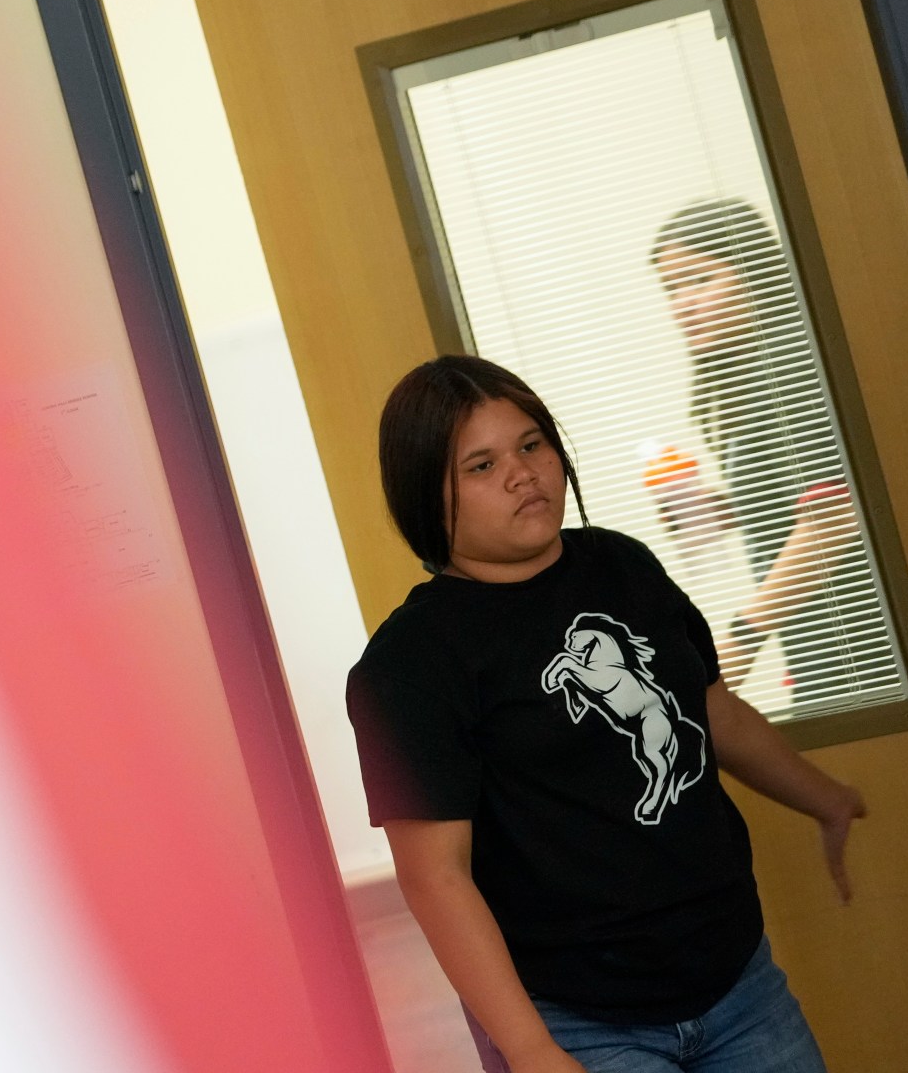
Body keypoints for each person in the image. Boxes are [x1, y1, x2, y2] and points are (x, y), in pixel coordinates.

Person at [347, 356, 866, 1073]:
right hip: (576, 1022)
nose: (522, 474)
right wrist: (530, 1050)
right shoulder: (409, 664)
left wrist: (825, 799)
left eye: (532, 445)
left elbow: (711, 712)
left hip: (739, 982)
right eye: (480, 465)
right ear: (425, 498)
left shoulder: (623, 565)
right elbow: (435, 877)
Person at [649, 199, 864, 702]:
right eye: (671, 289)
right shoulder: (756, 371)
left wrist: (743, 636)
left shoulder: (791, 365)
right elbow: (811, 492)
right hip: (820, 642)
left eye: (699, 280)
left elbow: (833, 517)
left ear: (756, 274)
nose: (683, 303)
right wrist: (730, 510)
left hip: (854, 640)